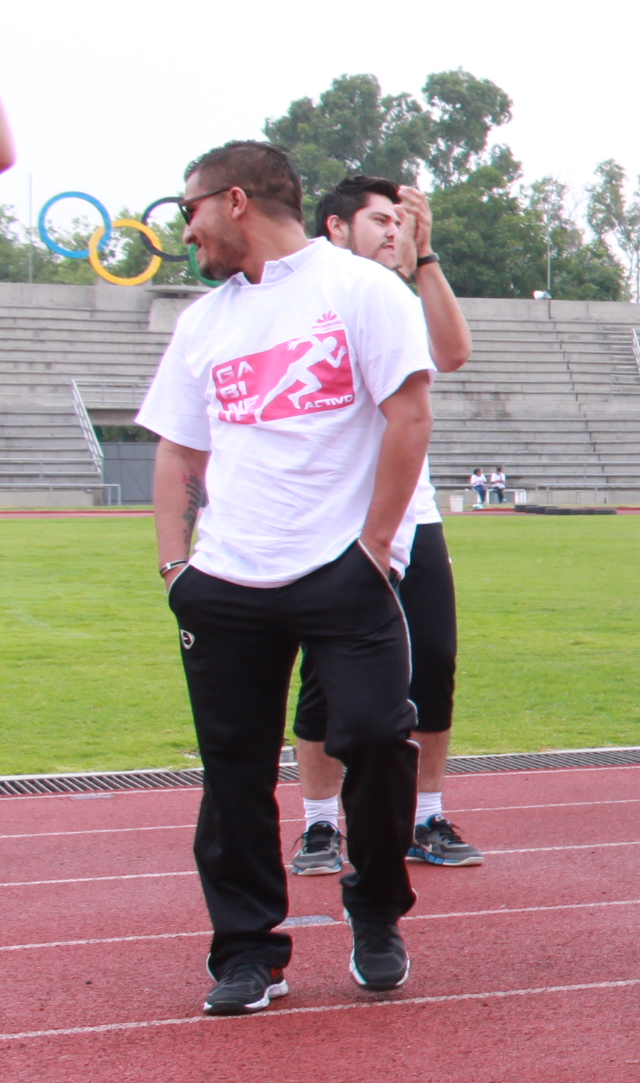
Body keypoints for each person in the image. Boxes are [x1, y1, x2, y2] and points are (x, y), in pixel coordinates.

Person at [142, 140, 435, 1015]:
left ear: (234, 200)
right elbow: (178, 450)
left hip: (343, 570)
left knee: (376, 736)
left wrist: (374, 547)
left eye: (189, 209)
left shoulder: (361, 290)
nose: (184, 230)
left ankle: (375, 910)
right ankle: (246, 952)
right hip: (226, 580)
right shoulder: (204, 322)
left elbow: (409, 415)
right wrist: (175, 566)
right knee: (232, 772)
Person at [285, 178, 477, 875]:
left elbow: (453, 353)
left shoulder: (399, 297)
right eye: (378, 220)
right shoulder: (311, 297)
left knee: (434, 661)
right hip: (337, 521)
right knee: (324, 677)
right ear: (335, 228)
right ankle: (319, 825)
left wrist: (425, 256)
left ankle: (425, 816)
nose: (392, 230)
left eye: (399, 220)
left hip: (413, 515)